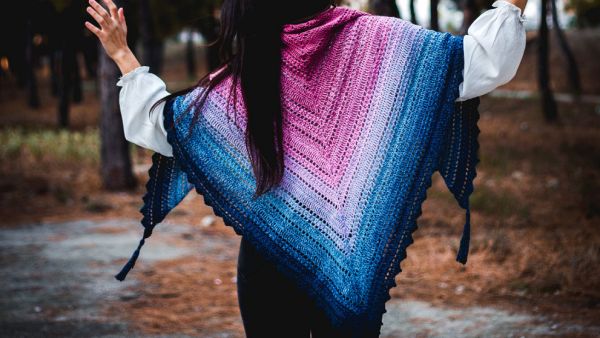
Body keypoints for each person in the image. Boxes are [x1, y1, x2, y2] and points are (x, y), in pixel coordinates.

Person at [85, 0, 527, 336]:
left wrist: (123, 55)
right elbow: (481, 62)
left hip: (267, 265)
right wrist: (512, 4)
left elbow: (159, 124)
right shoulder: (378, 41)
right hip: (332, 257)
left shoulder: (246, 75)